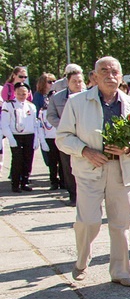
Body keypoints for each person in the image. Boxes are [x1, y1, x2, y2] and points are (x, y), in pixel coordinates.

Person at [56, 57, 130, 286]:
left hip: (121, 171)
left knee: (121, 225)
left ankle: (120, 271)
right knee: (88, 221)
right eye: (104, 71)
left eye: (115, 71)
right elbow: (62, 138)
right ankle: (82, 260)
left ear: (121, 77)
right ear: (94, 76)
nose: (110, 75)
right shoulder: (77, 102)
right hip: (90, 169)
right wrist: (84, 150)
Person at [46, 64, 84, 206]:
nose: (78, 84)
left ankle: (86, 195)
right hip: (67, 137)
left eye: (80, 81)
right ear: (67, 82)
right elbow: (51, 116)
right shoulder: (57, 98)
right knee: (68, 167)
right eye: (74, 81)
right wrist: (64, 125)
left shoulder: (90, 95)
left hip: (85, 136)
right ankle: (73, 196)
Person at [2, 82, 42, 192]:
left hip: (29, 135)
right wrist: (10, 138)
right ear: (14, 93)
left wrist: (36, 139)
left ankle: (25, 181)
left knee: (28, 160)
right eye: (19, 93)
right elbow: (4, 123)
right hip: (16, 135)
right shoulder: (8, 105)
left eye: (24, 93)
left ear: (28, 93)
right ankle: (15, 184)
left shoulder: (31, 106)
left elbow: (35, 124)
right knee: (17, 160)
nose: (21, 96)